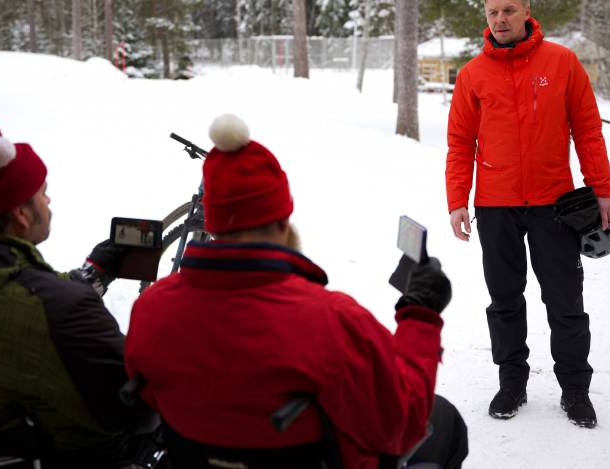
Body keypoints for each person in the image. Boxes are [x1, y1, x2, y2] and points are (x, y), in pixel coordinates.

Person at [125, 114, 468, 469]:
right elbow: (400, 423)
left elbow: (147, 401)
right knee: (443, 422)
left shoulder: (151, 308)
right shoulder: (330, 320)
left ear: (211, 222)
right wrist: (420, 315)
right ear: (282, 222)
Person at [0, 122, 157, 467]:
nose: (48, 201)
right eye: (42, 193)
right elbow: (138, 411)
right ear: (20, 213)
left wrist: (89, 276)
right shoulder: (61, 313)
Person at [446, 0, 610, 429]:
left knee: (565, 301)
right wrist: (457, 200)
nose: (500, 19)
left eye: (508, 10)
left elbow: (587, 130)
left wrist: (601, 188)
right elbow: (461, 143)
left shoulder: (562, 62)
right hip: (495, 206)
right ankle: (511, 383)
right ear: (486, 18)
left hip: (555, 205)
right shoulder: (472, 75)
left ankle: (576, 390)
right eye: (492, 12)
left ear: (526, 11)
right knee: (504, 299)